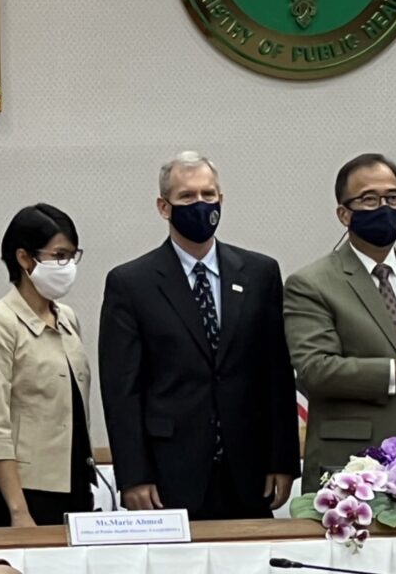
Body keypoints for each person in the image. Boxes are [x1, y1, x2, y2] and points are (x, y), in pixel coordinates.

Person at [99, 152, 299, 519]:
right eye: (187, 196)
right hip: (169, 474)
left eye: (208, 194)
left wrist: (282, 460)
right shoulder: (131, 283)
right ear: (164, 207)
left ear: (221, 199)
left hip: (249, 471)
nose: (201, 204)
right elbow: (122, 391)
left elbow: (277, 375)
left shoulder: (260, 274)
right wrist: (134, 475)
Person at [284, 154, 396, 490]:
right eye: (369, 199)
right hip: (351, 463)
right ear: (344, 214)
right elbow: (315, 369)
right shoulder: (311, 283)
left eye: (393, 198)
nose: (385, 208)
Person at [0, 204, 93, 527]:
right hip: (25, 493)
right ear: (25, 259)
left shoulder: (67, 318)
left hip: (75, 481)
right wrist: (18, 511)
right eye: (59, 256)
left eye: (72, 256)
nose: (68, 266)